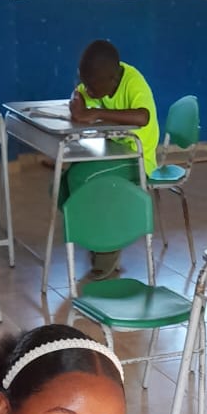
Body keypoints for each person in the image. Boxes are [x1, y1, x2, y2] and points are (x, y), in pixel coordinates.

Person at [65, 39, 159, 279]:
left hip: (138, 159)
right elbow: (79, 92)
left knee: (83, 178)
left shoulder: (133, 82)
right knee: (62, 184)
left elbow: (143, 116)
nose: (90, 90)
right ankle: (94, 237)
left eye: (93, 86)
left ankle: (107, 248)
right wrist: (78, 101)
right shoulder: (99, 78)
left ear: (112, 79)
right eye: (86, 83)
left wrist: (96, 112)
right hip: (113, 152)